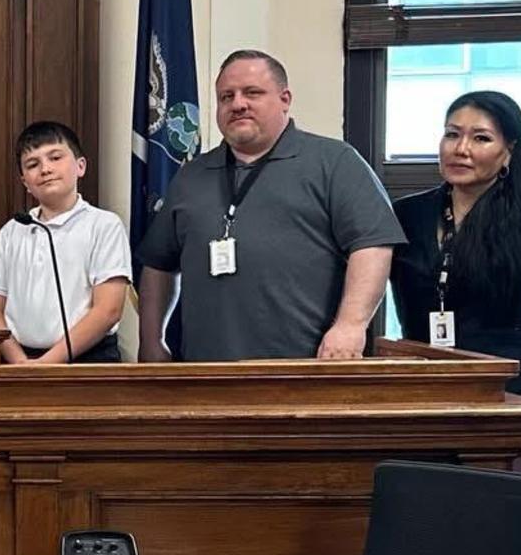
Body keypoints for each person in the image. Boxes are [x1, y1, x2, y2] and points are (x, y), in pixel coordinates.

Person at [138, 50, 405, 362]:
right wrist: (152, 339)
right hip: (206, 375)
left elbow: (373, 245)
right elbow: (158, 264)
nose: (237, 104)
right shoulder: (190, 177)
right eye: (226, 97)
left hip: (306, 372)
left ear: (285, 98)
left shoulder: (334, 162)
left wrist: (350, 326)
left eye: (252, 93)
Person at [388, 91, 521, 394]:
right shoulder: (409, 213)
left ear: (509, 150)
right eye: (452, 134)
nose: (461, 149)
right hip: (422, 381)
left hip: (507, 387)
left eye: (481, 138)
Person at [0, 122, 132, 364]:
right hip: (18, 359)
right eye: (33, 164)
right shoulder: (13, 230)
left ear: (80, 166)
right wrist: (20, 362)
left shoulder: (104, 225)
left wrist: (48, 363)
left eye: (55, 157)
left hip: (88, 358)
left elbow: (109, 310)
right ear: (25, 182)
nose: (45, 169)